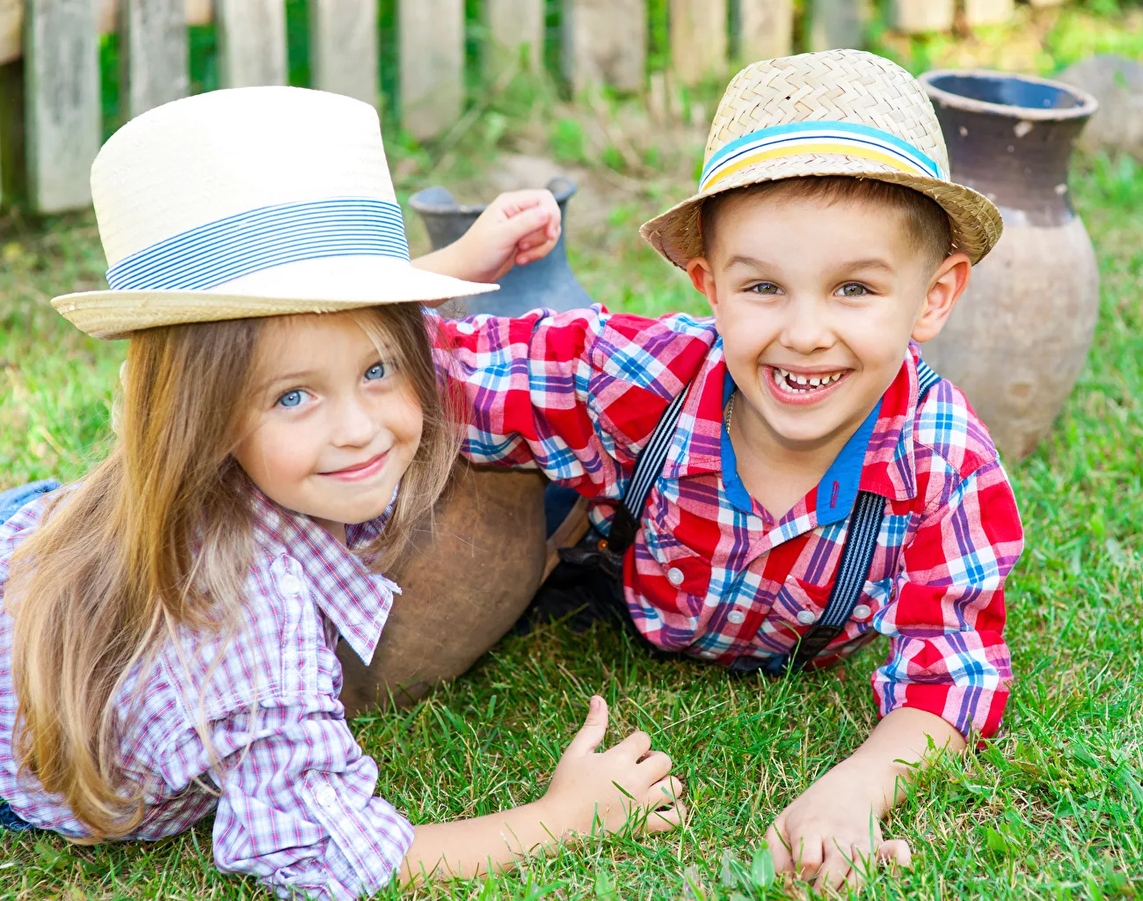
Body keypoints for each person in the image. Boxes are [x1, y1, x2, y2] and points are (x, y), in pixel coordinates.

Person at [0, 86, 684, 899]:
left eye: (377, 370)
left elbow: (312, 334)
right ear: (204, 416)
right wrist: (564, 815)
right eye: (294, 397)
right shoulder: (248, 608)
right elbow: (332, 860)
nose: (359, 429)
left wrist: (455, 264)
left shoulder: (205, 460)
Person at [430, 49, 1023, 890]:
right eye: (764, 288)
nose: (807, 332)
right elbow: (425, 369)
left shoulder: (944, 461)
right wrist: (435, 277)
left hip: (794, 648)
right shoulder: (649, 376)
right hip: (612, 587)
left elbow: (952, 678)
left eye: (855, 289)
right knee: (495, 483)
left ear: (934, 295)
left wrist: (854, 789)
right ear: (710, 285)